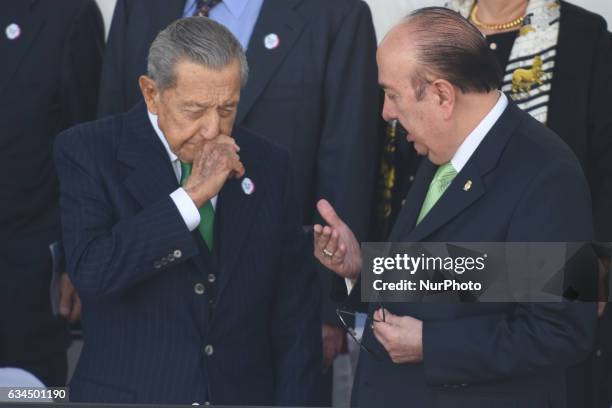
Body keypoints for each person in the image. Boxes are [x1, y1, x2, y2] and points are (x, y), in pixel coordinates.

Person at [314, 7, 598, 407]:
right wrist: (361, 270)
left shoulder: (551, 174)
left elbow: (565, 330)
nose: (386, 113)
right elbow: (462, 276)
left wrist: (432, 345)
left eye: (392, 94)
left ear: (442, 95)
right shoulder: (439, 148)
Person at [97, 2, 379, 400]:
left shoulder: (336, 14)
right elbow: (107, 143)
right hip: (145, 309)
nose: (391, 113)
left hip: (274, 315)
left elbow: (349, 159)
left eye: (398, 95)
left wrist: (334, 305)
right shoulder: (139, 8)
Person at [54, 17, 321, 405]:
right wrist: (189, 199)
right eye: (194, 109)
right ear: (151, 94)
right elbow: (93, 272)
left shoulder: (269, 165)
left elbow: (294, 319)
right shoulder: (89, 151)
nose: (213, 129)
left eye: (227, 108)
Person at [445, 2, 612, 407]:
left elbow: (607, 166)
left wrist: (599, 270)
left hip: (548, 278)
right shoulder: (438, 30)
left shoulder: (585, 36)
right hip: (445, 274)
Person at [0, 0, 103, 387]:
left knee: (33, 398)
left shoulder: (69, 14)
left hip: (25, 292)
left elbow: (90, 154)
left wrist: (78, 260)